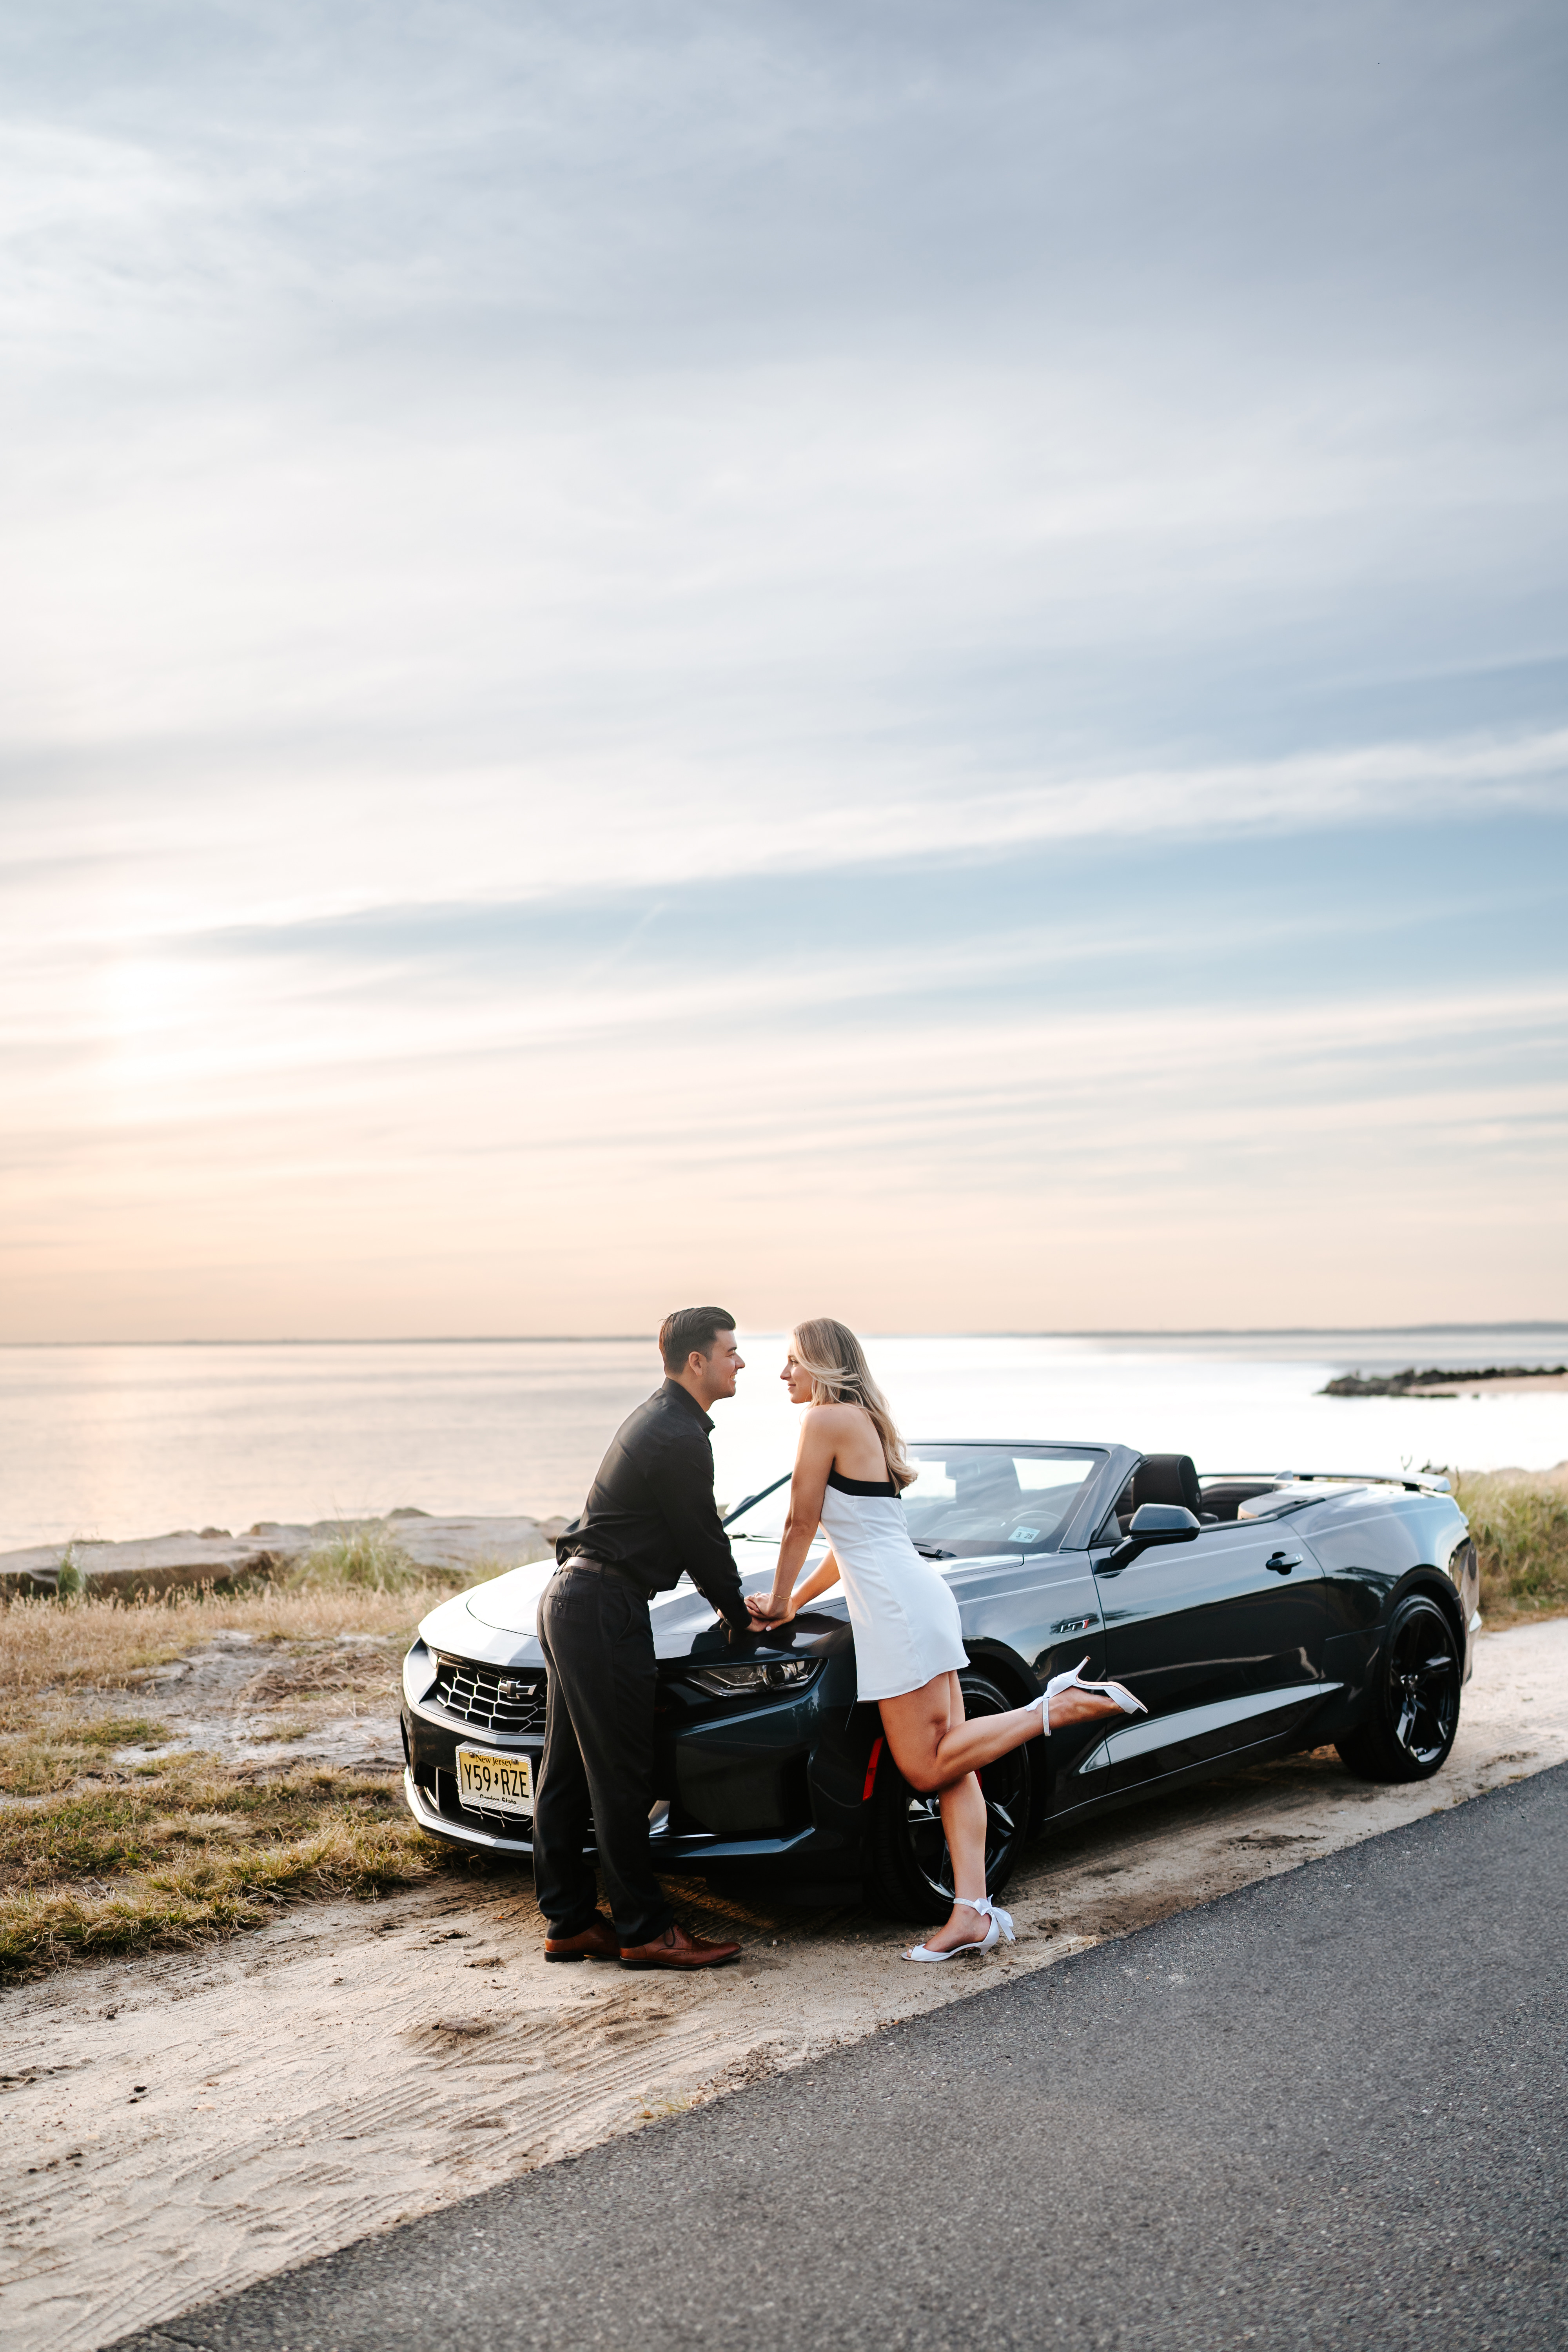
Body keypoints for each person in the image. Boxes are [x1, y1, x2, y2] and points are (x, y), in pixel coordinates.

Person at [748, 1317, 1145, 1960]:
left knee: (924, 1764)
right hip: (913, 1598)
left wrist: (772, 1599)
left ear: (822, 1363)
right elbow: (849, 1546)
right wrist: (793, 1602)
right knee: (956, 1766)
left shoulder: (824, 1421)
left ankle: (1055, 1707)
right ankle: (973, 1913)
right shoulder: (863, 1422)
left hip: (900, 1611)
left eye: (792, 1360)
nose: (784, 1373)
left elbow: (800, 1521)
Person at [532, 1307, 751, 1971]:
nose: (740, 1362)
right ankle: (645, 1929)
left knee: (567, 1773)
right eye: (731, 1352)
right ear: (697, 1363)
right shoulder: (680, 1432)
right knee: (621, 1776)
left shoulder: (657, 1418)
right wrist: (739, 1614)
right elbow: (702, 1538)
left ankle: (570, 1922)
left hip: (575, 1597)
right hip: (603, 1607)